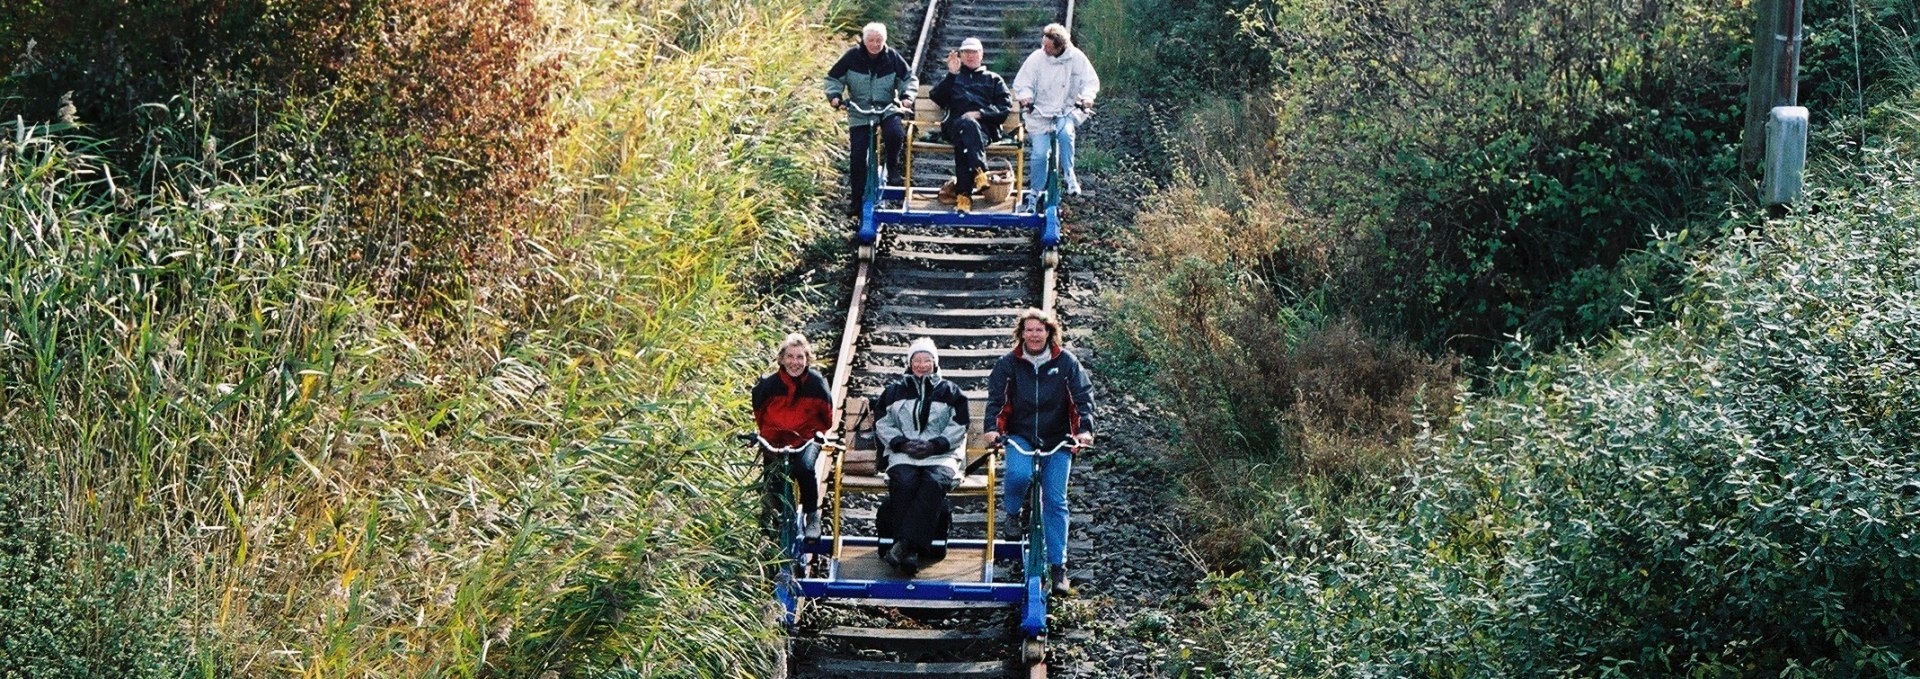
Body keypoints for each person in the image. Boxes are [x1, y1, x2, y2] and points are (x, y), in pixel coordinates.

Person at [980, 309, 1094, 595]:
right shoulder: (1009, 365)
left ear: (1049, 333)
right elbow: (996, 401)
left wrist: (1083, 431)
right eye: (1029, 330)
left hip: (1058, 439)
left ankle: (1059, 568)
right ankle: (1012, 513)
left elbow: (1082, 399)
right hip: (1022, 436)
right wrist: (994, 429)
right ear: (1021, 333)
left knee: (1055, 501)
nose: (1034, 335)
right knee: (1018, 475)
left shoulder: (1066, 363)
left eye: (1039, 330)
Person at [872, 337, 970, 575]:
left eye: (927, 360)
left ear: (935, 363)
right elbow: (883, 422)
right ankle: (911, 550)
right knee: (904, 482)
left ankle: (904, 545)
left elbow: (959, 424)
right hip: (904, 454)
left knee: (934, 482)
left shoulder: (950, 391)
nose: (922, 365)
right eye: (917, 360)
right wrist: (902, 444)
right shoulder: (894, 391)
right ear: (909, 362)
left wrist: (935, 445)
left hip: (940, 455)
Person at [825, 22, 916, 218]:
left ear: (885, 40)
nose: (875, 44)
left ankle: (892, 165)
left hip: (886, 107)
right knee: (858, 156)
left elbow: (908, 78)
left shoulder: (892, 57)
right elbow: (833, 78)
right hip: (860, 109)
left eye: (879, 40)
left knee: (894, 133)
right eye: (871, 41)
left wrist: (906, 96)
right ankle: (856, 201)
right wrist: (835, 96)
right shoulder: (851, 57)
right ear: (864, 41)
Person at [751, 333, 835, 540]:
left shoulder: (816, 384)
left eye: (800, 357)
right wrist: (770, 435)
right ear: (781, 359)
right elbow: (760, 414)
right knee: (775, 476)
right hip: (775, 440)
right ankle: (774, 518)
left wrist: (815, 434)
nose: (794, 363)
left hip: (807, 438)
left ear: (807, 359)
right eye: (790, 357)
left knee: (804, 467)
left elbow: (827, 417)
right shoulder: (768, 385)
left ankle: (812, 515)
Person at [1011, 23, 1100, 205]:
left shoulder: (1076, 58)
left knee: (1065, 134)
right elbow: (1022, 82)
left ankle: (1069, 174)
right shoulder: (1037, 58)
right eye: (1043, 44)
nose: (1044, 49)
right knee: (1040, 154)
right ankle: (1036, 190)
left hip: (1065, 108)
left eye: (1048, 47)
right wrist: (1026, 98)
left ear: (1060, 47)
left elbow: (1090, 81)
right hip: (1040, 111)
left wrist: (1087, 98)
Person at [929, 36, 1012, 214]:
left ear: (981, 55)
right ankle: (979, 172)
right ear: (960, 55)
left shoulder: (993, 79)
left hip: (984, 129)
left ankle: (964, 196)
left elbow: (1004, 109)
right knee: (965, 127)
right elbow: (937, 97)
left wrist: (980, 113)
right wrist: (951, 75)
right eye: (966, 52)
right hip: (954, 125)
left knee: (966, 134)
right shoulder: (954, 77)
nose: (970, 56)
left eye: (974, 52)